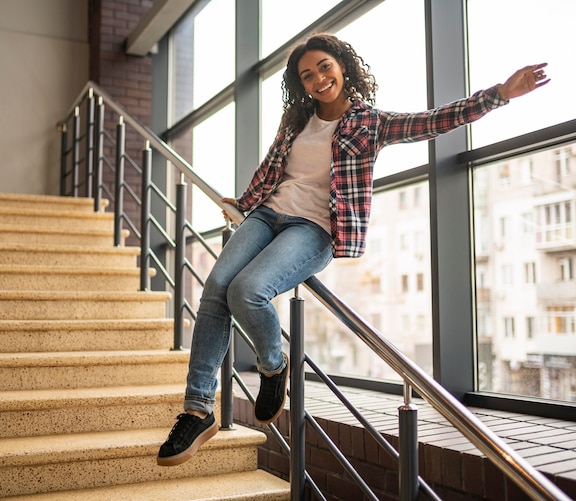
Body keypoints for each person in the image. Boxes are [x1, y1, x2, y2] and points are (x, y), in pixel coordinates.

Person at [157, 32, 549, 467]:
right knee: (215, 288)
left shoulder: (371, 122)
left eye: (324, 66)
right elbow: (272, 169)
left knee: (247, 290)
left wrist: (499, 95)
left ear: (342, 65)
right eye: (307, 75)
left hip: (315, 228)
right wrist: (244, 205)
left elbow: (434, 120)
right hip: (266, 215)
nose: (319, 79)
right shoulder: (295, 118)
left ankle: (273, 366)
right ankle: (197, 409)